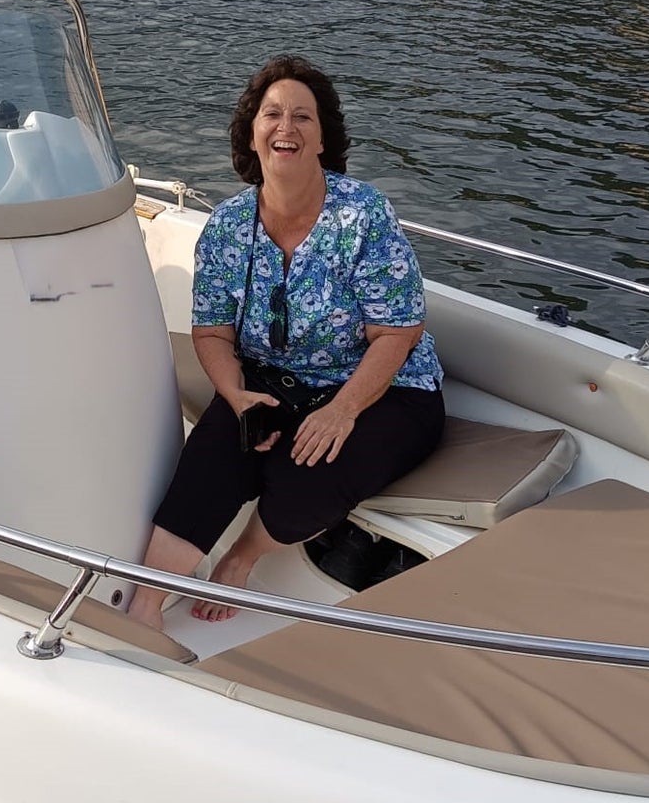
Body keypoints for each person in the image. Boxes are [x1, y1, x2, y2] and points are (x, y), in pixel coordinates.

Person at [130, 56, 444, 631]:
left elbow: (397, 331)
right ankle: (146, 605)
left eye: (304, 116)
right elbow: (213, 331)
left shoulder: (363, 214)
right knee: (213, 454)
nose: (287, 127)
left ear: (324, 137)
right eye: (272, 114)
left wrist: (344, 410)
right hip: (271, 378)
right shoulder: (227, 226)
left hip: (387, 386)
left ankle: (240, 558)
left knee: (310, 474)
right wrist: (234, 393)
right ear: (252, 134)